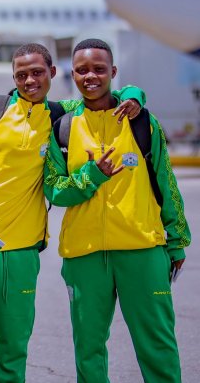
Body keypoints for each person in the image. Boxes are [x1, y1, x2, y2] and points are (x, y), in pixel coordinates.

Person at [0, 42, 144, 383]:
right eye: (21, 75)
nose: (29, 81)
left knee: (14, 346)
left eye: (37, 73)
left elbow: (104, 94)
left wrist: (134, 95)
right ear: (13, 78)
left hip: (22, 249)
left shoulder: (59, 114)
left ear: (52, 72)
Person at [43, 38, 191, 383]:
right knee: (89, 348)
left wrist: (177, 239)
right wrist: (92, 176)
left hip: (142, 249)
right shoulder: (63, 127)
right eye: (82, 70)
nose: (90, 76)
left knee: (157, 344)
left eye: (98, 69)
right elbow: (55, 190)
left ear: (113, 72)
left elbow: (166, 184)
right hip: (84, 255)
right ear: (72, 75)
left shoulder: (142, 122)